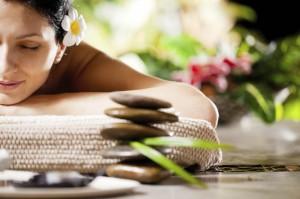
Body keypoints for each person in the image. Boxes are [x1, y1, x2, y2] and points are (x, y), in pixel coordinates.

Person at [0, 0, 218, 128]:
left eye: (28, 46)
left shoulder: (78, 65)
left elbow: (199, 109)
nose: (4, 67)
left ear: (60, 47)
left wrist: (37, 108)